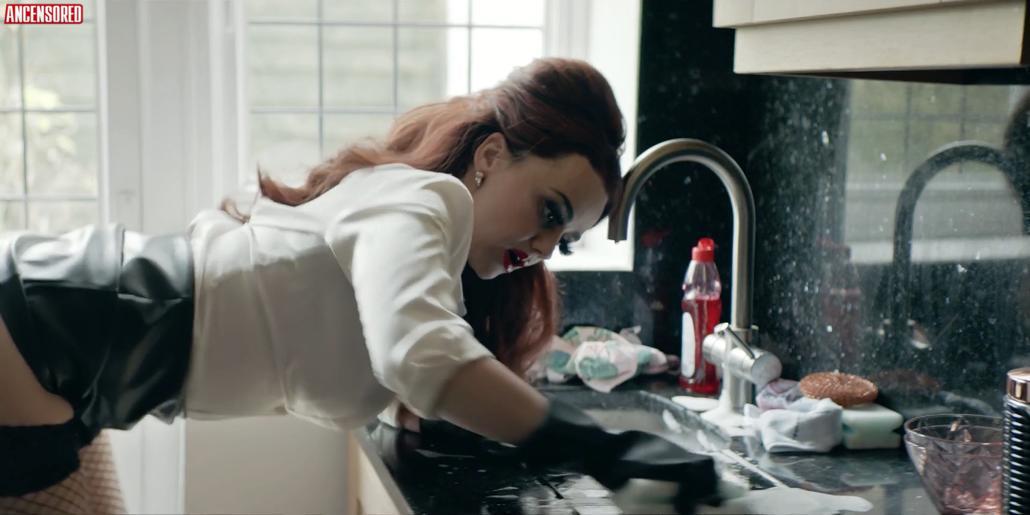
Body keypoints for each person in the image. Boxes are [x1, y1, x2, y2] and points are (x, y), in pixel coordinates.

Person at [0, 57, 718, 513]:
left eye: (564, 240)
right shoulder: (426, 199)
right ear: (493, 155)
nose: (542, 250)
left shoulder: (423, 247)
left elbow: (414, 373)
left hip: (68, 349)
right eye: (550, 212)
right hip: (42, 319)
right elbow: (420, 356)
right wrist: (594, 445)